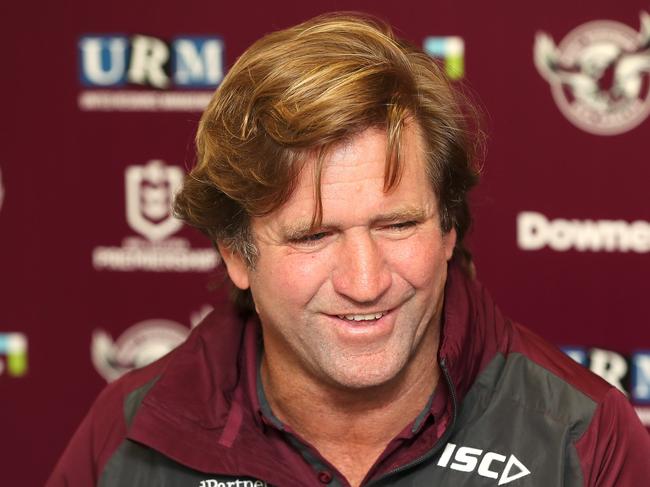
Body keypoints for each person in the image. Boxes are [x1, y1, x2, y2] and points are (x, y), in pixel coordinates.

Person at [48, 13, 650, 487]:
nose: (365, 282)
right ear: (235, 252)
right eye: (314, 235)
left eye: (396, 225)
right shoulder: (131, 434)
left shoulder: (582, 436)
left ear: (448, 231)